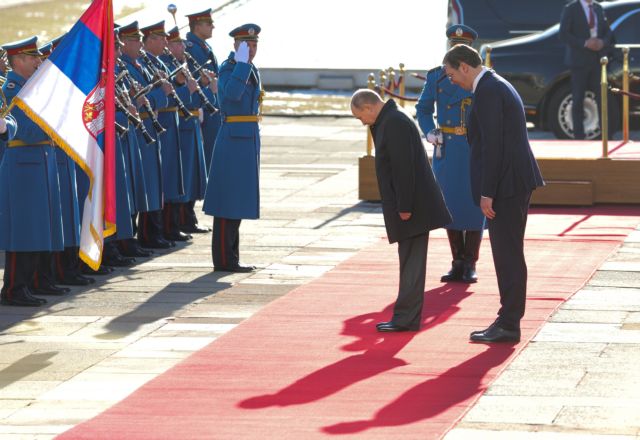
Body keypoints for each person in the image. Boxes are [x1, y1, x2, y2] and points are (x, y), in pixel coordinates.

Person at [443, 44, 544, 343]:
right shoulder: (495, 83)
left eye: (451, 74)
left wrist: (487, 191)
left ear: (464, 66)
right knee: (509, 253)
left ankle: (509, 323)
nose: (452, 81)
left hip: (506, 185)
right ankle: (508, 319)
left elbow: (493, 146)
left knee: (507, 254)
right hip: (512, 180)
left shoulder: (488, 89)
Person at [350, 89, 451, 332]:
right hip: (411, 205)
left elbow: (403, 168)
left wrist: (404, 206)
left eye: (360, 116)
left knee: (411, 265)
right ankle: (405, 316)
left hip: (412, 207)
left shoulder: (394, 122)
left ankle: (406, 318)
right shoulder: (390, 119)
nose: (362, 122)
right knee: (409, 263)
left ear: (369, 107)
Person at [416, 24, 486, 284]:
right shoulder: (437, 76)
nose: (456, 50)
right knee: (450, 204)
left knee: (475, 204)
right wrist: (429, 132)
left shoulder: (479, 77)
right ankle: (456, 261)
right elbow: (423, 109)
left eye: (462, 46)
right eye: (454, 45)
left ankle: (470, 262)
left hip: (472, 147)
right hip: (446, 147)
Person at [0, 36, 65, 306]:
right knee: (23, 229)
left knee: (40, 226)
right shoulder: (11, 90)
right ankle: (14, 288)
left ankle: (37, 280)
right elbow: (20, 129)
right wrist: (52, 125)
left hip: (39, 160)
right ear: (18, 61)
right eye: (33, 58)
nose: (39, 62)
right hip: (23, 165)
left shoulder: (31, 87)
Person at [202, 23, 263, 273]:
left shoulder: (249, 68)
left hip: (247, 139)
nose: (252, 49)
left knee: (237, 202)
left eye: (254, 44)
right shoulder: (230, 68)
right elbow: (232, 96)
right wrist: (242, 64)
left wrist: (245, 65)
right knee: (228, 202)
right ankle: (224, 260)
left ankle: (232, 257)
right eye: (247, 44)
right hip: (233, 139)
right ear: (236, 45)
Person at [559, 0, 613, 140]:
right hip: (579, 62)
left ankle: (606, 135)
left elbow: (608, 32)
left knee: (602, 98)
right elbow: (563, 34)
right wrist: (584, 43)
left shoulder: (598, 8)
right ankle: (579, 137)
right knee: (578, 99)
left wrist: (602, 42)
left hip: (597, 61)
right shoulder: (571, 8)